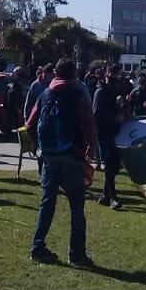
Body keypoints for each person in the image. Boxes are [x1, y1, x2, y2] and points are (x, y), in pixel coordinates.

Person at [26, 59, 100, 266]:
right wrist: (90, 151)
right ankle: (76, 254)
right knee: (76, 207)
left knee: (47, 202)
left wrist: (38, 146)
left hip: (49, 157)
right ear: (74, 75)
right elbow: (89, 126)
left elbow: (29, 123)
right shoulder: (77, 95)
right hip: (72, 157)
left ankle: (37, 247)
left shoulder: (45, 94)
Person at [92, 63, 126, 209]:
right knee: (111, 164)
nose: (118, 77)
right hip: (104, 133)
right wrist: (114, 118)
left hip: (114, 132)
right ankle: (113, 197)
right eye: (116, 74)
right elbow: (96, 115)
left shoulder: (113, 90)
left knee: (114, 165)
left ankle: (105, 196)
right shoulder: (100, 92)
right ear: (108, 74)